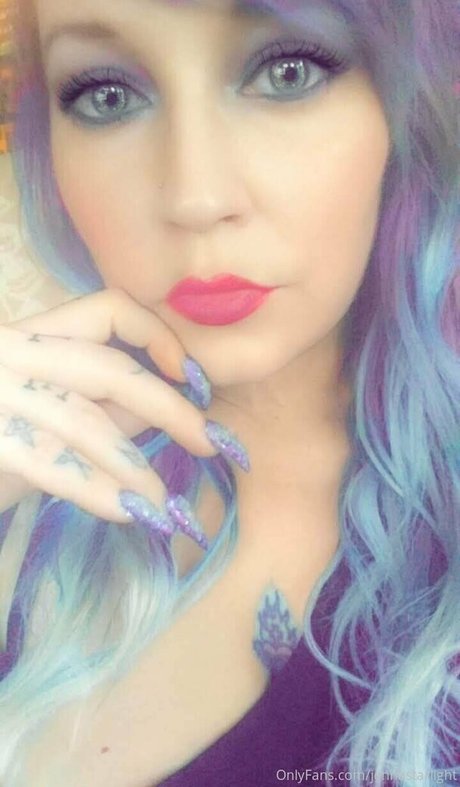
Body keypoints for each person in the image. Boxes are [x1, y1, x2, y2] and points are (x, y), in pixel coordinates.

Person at [0, 0, 458, 784]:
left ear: (405, 107)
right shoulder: (24, 475)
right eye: (107, 94)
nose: (195, 197)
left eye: (288, 72)